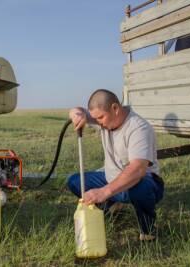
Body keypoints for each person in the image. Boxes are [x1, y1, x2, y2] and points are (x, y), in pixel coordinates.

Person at [67, 89, 164, 241]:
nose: (98, 122)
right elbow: (78, 110)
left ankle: (148, 230)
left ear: (115, 108)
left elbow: (138, 169)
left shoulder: (138, 127)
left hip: (143, 182)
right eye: (95, 118)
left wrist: (103, 192)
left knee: (141, 188)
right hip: (111, 180)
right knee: (75, 181)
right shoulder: (105, 121)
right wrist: (76, 113)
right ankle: (110, 210)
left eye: (100, 118)